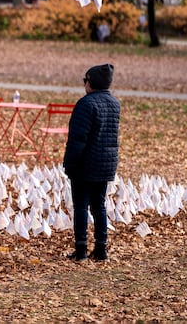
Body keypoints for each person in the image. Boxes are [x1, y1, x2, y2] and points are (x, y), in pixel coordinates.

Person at [64, 63, 120, 261]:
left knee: (81, 206)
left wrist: (69, 163)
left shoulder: (86, 104)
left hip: (85, 164)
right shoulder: (114, 103)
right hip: (105, 163)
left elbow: (78, 138)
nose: (84, 84)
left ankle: (81, 250)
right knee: (99, 206)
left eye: (85, 80)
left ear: (92, 82)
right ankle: (101, 248)